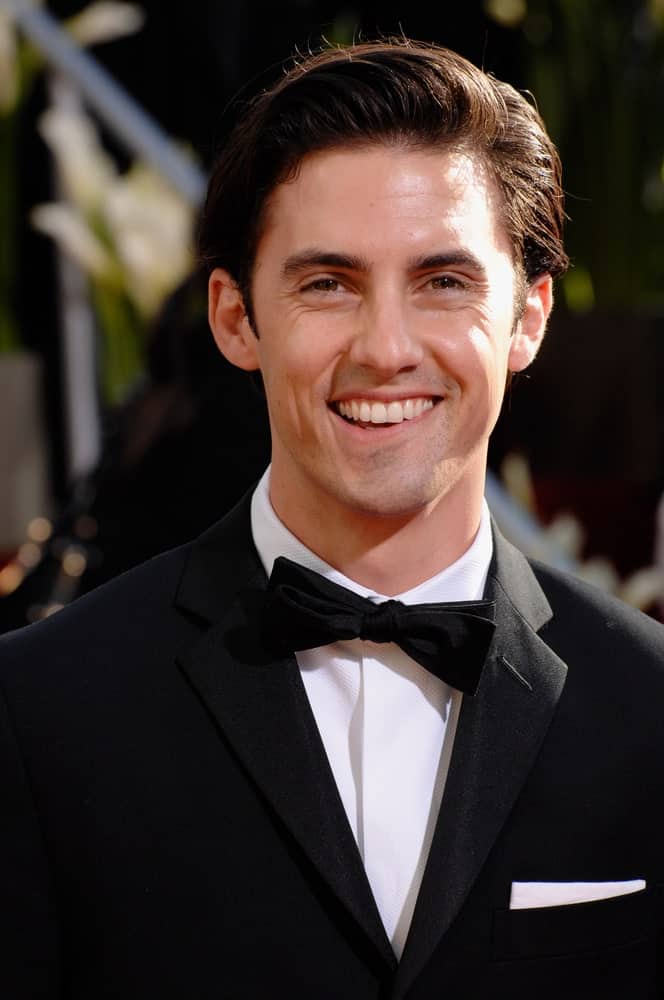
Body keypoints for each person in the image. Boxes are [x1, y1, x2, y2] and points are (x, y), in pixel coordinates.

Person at [1, 38, 663, 1000]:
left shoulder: (649, 712)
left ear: (528, 317)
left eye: (443, 281)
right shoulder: (38, 715)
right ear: (235, 318)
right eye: (327, 284)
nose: (387, 349)